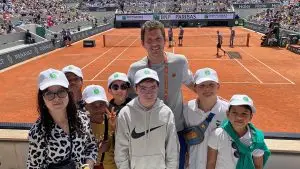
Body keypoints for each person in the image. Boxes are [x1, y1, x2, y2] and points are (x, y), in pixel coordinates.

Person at [127, 20, 194, 169]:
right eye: (149, 40)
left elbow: (193, 84)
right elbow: (127, 97)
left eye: (158, 38)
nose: (154, 43)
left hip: (176, 130)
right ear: (143, 43)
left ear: (165, 39)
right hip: (147, 133)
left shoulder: (180, 62)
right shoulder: (135, 69)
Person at [27, 68, 98, 169]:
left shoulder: (82, 119)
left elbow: (91, 146)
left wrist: (88, 165)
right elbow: (33, 166)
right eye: (49, 94)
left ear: (68, 93)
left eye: (61, 92)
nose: (56, 98)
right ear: (42, 98)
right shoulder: (38, 132)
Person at [115, 68, 179, 169]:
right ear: (136, 89)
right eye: (143, 88)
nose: (149, 93)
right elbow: (121, 148)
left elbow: (172, 148)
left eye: (153, 87)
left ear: (158, 87)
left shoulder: (166, 113)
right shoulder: (125, 114)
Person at [207, 94, 271, 169]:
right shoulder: (217, 134)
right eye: (234, 112)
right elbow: (211, 163)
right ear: (228, 114)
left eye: (244, 113)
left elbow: (258, 166)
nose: (239, 117)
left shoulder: (257, 138)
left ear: (251, 117)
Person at [182, 68, 228, 169]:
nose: (207, 89)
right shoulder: (186, 110)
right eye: (202, 85)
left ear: (218, 86)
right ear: (195, 87)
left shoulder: (228, 112)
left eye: (211, 85)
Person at [83, 85, 117, 169]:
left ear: (106, 105)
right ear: (85, 106)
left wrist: (116, 127)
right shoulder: (81, 125)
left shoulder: (113, 121)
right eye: (92, 104)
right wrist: (96, 150)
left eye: (101, 104)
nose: (97, 108)